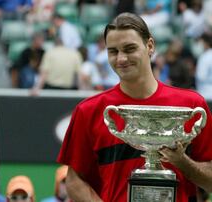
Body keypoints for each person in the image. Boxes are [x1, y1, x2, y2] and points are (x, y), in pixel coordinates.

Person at [57, 12, 212, 202]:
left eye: (129, 49)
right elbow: (74, 180)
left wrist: (182, 162)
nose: (121, 58)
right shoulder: (89, 111)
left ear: (150, 46)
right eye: (113, 51)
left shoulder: (191, 107)